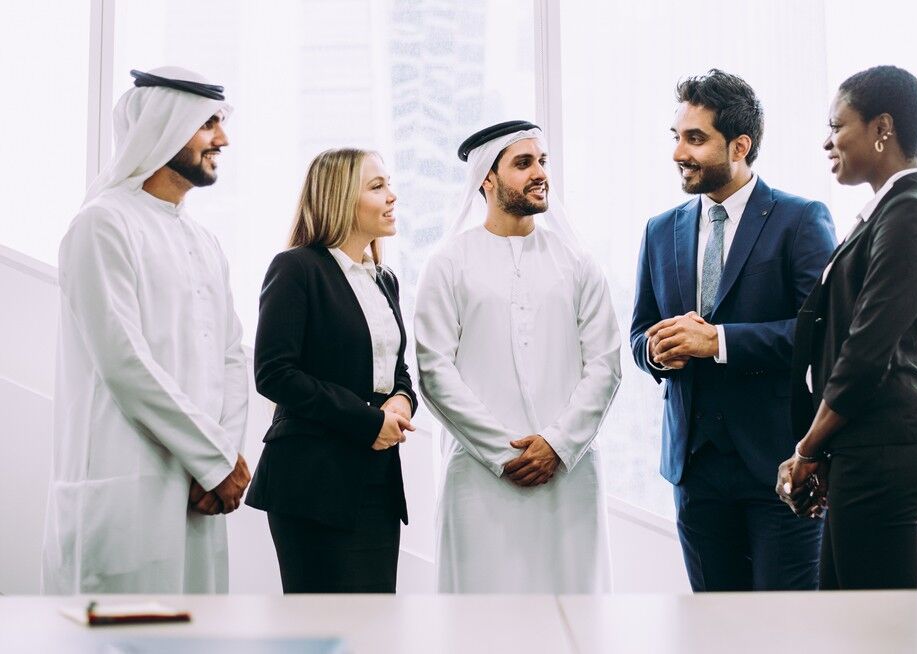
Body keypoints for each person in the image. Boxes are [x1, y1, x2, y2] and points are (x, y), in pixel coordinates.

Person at [42, 67, 250, 594]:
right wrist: (214, 459)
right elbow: (124, 362)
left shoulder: (205, 242)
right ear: (162, 126)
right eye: (207, 123)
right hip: (127, 488)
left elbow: (231, 356)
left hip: (200, 491)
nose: (222, 139)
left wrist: (222, 458)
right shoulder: (102, 224)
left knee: (196, 629)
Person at [630, 70, 837, 592]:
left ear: (739, 146)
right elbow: (638, 335)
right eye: (676, 136)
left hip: (781, 466)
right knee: (712, 625)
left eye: (695, 138)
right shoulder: (659, 230)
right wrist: (656, 351)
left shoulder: (800, 219)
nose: (679, 152)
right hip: (694, 472)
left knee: (784, 625)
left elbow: (820, 335)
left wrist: (718, 342)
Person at [415, 120, 621, 593]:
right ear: (487, 178)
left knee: (574, 613)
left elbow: (606, 365)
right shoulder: (448, 262)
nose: (540, 173)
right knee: (483, 615)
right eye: (523, 163)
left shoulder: (578, 261)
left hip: (569, 471)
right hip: (480, 476)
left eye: (542, 161)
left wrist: (557, 444)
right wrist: (503, 452)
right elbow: (434, 371)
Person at [778, 65, 917, 590]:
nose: (826, 141)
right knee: (846, 618)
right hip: (866, 443)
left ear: (882, 129)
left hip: (886, 445)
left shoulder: (911, 214)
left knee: (875, 626)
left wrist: (807, 449)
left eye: (837, 126)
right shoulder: (886, 211)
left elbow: (865, 351)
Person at [245, 148, 417, 593]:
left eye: (389, 184)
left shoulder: (385, 279)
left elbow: (394, 367)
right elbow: (274, 372)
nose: (392, 196)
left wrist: (402, 400)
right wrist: (368, 421)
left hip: (377, 480)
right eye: (377, 187)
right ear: (340, 199)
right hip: (312, 482)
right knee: (322, 624)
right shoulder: (296, 268)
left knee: (375, 622)